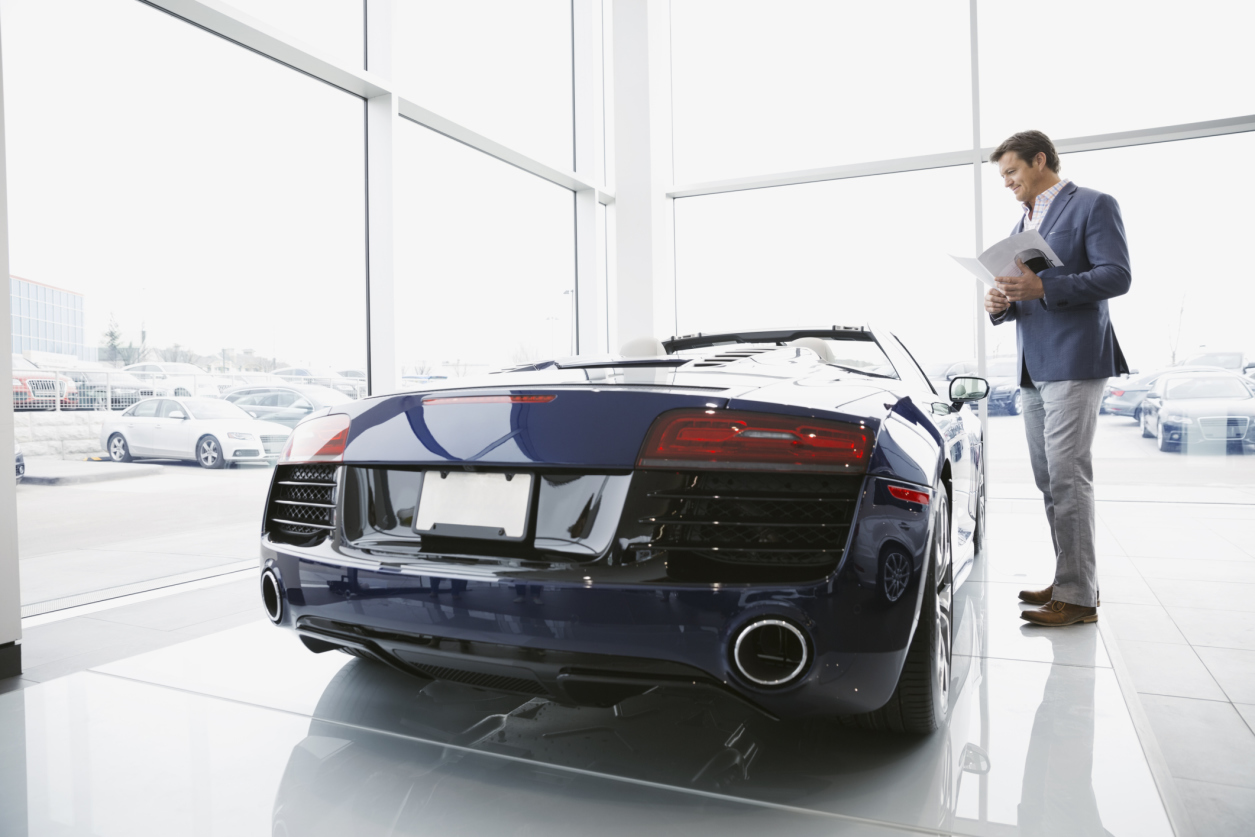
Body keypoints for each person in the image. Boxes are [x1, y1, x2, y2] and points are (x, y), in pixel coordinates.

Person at [985, 130, 1130, 627]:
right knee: (1049, 480)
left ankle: (1078, 598)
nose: (1006, 182)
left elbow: (1117, 275)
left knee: (1068, 477)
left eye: (1011, 171)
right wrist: (1000, 303)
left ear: (1039, 160)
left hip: (1074, 357)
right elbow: (1025, 292)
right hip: (1033, 364)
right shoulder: (1022, 223)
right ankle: (1072, 577)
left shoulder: (1092, 204)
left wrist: (1044, 286)